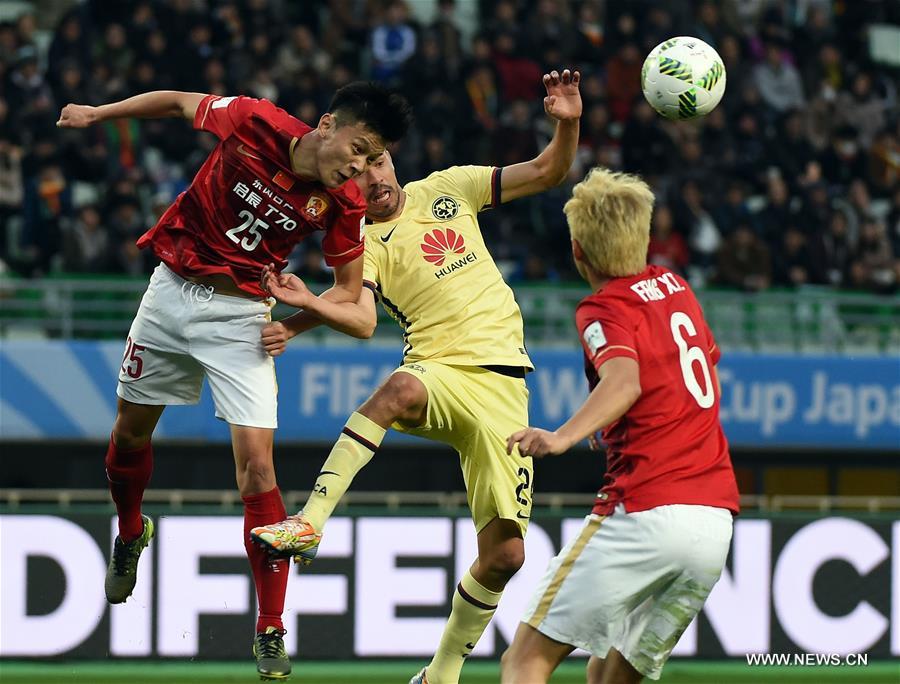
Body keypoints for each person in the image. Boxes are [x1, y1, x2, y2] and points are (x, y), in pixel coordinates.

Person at [56, 83, 411, 680]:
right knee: (130, 437)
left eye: (372, 158)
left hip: (242, 319)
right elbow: (174, 102)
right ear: (328, 124)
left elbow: (351, 299)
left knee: (259, 470)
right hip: (170, 295)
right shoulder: (252, 122)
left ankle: (270, 629)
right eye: (359, 148)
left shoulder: (343, 204)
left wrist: (295, 324)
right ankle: (129, 530)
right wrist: (99, 111)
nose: (359, 166)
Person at [251, 69, 582, 684]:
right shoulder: (363, 238)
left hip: (505, 388)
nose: (372, 176)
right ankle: (310, 522)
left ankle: (440, 673)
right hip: (438, 369)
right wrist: (311, 311)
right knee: (398, 388)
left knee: (507, 555)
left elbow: (546, 172)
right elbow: (358, 310)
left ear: (393, 162)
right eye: (363, 165)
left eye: (381, 163)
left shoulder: (450, 188)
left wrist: (566, 123)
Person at [498, 167, 740, 684]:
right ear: (645, 238)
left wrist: (561, 434)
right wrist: (610, 418)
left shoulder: (601, 308)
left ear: (578, 252)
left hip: (646, 512)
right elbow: (680, 373)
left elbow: (624, 381)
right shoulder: (677, 286)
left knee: (524, 662)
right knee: (608, 676)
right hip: (715, 523)